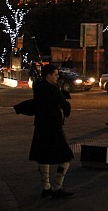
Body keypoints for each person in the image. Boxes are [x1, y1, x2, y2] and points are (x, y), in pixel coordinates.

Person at [27, 64, 74, 199]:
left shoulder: (38, 86)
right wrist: (66, 104)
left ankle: (46, 187)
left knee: (43, 156)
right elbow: (63, 104)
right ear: (48, 75)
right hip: (53, 127)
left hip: (41, 125)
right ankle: (58, 186)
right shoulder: (53, 89)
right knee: (66, 157)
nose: (57, 76)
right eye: (55, 74)